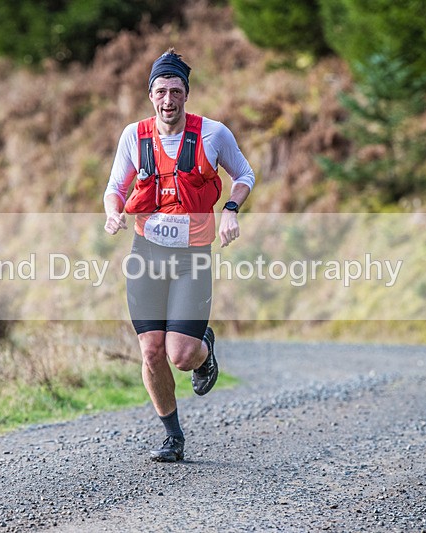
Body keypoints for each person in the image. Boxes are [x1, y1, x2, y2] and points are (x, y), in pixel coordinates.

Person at [103, 48, 255, 462]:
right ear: (150, 95)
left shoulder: (212, 134)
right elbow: (115, 187)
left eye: (175, 91)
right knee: (151, 350)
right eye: (160, 92)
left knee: (181, 355)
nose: (168, 100)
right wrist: (113, 214)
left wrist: (231, 210)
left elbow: (244, 174)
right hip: (146, 253)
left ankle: (204, 346)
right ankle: (173, 437)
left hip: (192, 257)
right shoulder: (135, 136)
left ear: (186, 93)